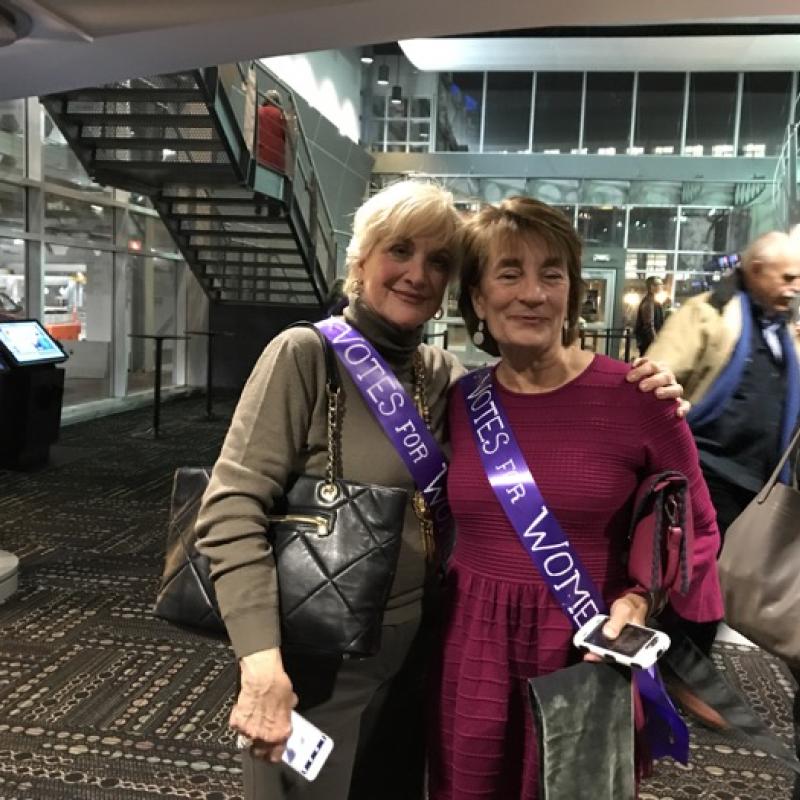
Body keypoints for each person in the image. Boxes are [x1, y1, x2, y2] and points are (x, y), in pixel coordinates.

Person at [194, 180, 687, 800]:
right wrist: (260, 664)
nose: (416, 275)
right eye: (399, 251)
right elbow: (231, 509)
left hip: (424, 660)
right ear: (362, 260)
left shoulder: (446, 379)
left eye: (438, 261)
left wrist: (648, 385)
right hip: (321, 660)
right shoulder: (305, 355)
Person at [428, 196, 723, 800]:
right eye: (509, 273)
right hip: (472, 647)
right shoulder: (460, 403)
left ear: (572, 292)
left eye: (551, 274)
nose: (532, 293)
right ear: (479, 299)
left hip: (584, 645)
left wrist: (639, 602)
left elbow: (697, 527)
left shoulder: (637, 397)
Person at [646, 229, 800, 789]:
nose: (792, 286)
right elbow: (659, 372)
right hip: (704, 471)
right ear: (755, 270)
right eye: (783, 276)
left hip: (757, 481)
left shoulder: (784, 332)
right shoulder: (706, 314)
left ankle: (683, 660)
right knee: (693, 579)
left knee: (720, 580)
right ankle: (682, 670)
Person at [634, 275, 665, 356]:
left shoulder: (653, 301)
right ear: (652, 286)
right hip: (648, 343)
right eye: (659, 284)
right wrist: (655, 343)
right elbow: (649, 325)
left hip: (649, 342)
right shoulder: (648, 302)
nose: (662, 287)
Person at [257, 89, 287, 173]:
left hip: (259, 154)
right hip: (276, 161)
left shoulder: (259, 111)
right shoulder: (282, 116)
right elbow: (287, 140)